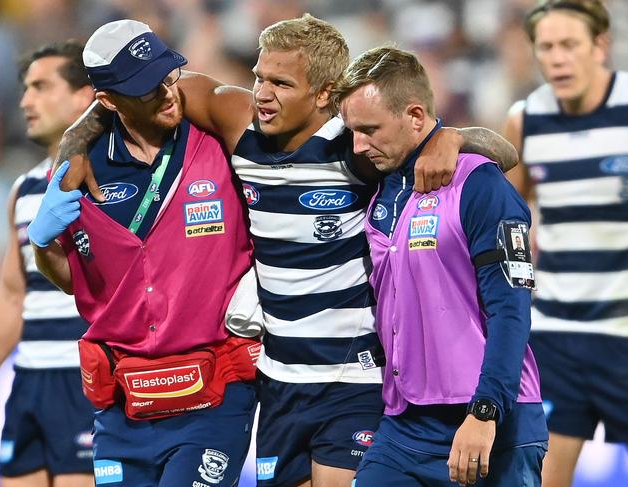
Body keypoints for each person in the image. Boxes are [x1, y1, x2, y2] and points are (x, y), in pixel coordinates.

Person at [56, 15, 520, 487]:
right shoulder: (235, 121)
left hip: (353, 378)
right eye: (259, 76)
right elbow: (132, 93)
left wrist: (451, 136)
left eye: (280, 82)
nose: (261, 92)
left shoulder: (356, 149)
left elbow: (503, 151)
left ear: (324, 95)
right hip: (278, 380)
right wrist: (73, 142)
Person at [26, 20, 259, 487]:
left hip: (213, 399)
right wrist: (41, 245)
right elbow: (75, 278)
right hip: (121, 409)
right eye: (145, 89)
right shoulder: (82, 167)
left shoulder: (215, 139)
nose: (167, 93)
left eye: (166, 76)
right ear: (108, 100)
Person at [335, 45, 548, 486]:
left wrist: (485, 413)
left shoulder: (479, 184)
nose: (358, 145)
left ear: (415, 116)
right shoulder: (380, 187)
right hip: (405, 425)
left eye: (370, 129)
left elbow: (511, 308)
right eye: (353, 131)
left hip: (491, 420)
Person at [502, 1, 628, 485]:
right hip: (557, 336)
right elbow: (510, 220)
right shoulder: (526, 120)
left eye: (569, 45)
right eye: (546, 47)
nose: (557, 58)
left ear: (600, 46)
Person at [0, 41, 96, 487]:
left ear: (84, 96)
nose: (25, 101)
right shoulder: (23, 188)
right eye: (24, 88)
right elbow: (13, 294)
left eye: (40, 87)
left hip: (85, 381)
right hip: (28, 383)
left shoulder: (112, 181)